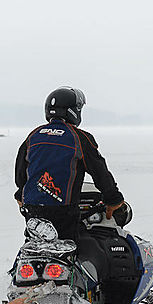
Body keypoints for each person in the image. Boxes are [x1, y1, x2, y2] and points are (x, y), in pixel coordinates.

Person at [14, 86, 126, 242]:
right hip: (63, 212)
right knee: (71, 250)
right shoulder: (79, 138)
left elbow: (20, 174)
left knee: (34, 246)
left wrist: (20, 194)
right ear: (74, 111)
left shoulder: (33, 136)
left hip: (33, 210)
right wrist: (114, 200)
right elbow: (100, 172)